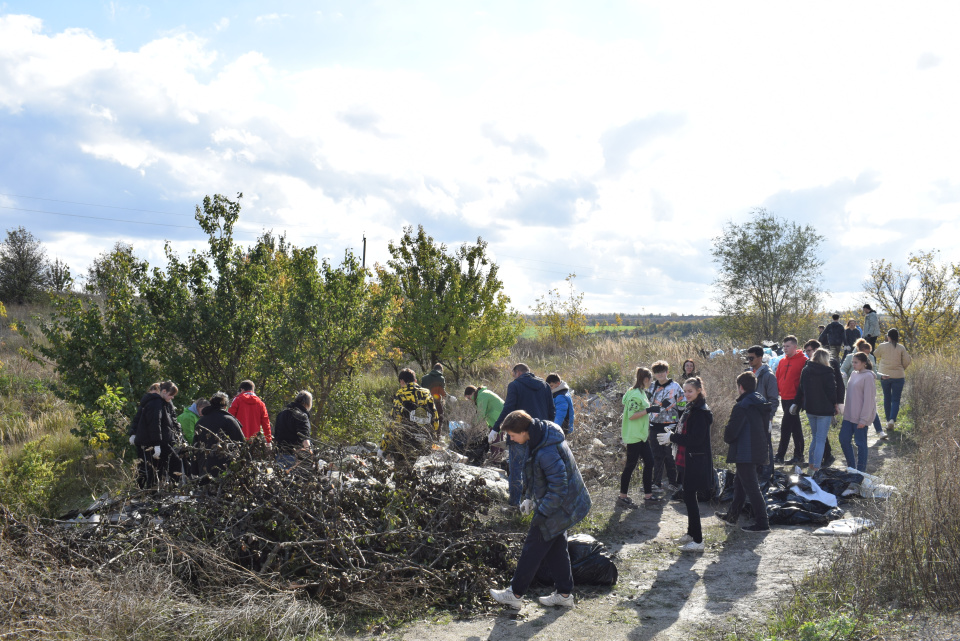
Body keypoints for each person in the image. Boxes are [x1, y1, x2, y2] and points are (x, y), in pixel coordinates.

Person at [489, 410, 591, 610]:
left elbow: (559, 487)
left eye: (511, 435)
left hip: (561, 503)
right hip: (557, 501)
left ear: (524, 431)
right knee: (556, 547)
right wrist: (529, 497)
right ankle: (564, 594)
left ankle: (515, 593)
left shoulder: (546, 451)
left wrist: (541, 511)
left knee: (532, 548)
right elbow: (536, 475)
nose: (510, 439)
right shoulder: (539, 436)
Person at [658, 377, 713, 552]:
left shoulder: (701, 412)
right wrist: (672, 433)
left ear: (698, 390)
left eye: (690, 391)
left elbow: (696, 440)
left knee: (690, 498)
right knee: (689, 498)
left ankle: (698, 541)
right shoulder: (691, 408)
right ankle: (691, 533)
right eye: (684, 391)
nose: (686, 394)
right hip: (686, 459)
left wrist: (672, 437)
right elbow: (687, 432)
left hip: (695, 460)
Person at [491, 364, 555, 508]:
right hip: (539, 435)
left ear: (518, 372)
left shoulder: (515, 385)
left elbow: (508, 408)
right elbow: (551, 411)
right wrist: (548, 432)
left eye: (513, 374)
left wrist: (496, 428)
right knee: (538, 470)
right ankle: (538, 505)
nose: (513, 376)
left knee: (516, 470)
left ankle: (514, 505)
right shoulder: (544, 386)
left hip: (518, 434)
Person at [715, 371, 771, 532]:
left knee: (752, 487)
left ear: (740, 387)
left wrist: (726, 432)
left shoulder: (743, 406)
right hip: (758, 448)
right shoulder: (761, 402)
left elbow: (731, 433)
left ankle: (762, 523)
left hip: (746, 451)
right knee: (739, 484)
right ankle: (732, 517)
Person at [618, 367, 659, 508]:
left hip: (641, 436)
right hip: (634, 436)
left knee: (649, 462)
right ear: (646, 379)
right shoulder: (635, 394)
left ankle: (648, 495)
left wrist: (652, 408)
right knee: (630, 466)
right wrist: (649, 410)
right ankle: (622, 497)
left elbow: (641, 410)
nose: (651, 382)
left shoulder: (641, 392)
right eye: (651, 379)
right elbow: (632, 415)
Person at [132, 380, 184, 488]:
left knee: (157, 470)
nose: (172, 398)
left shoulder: (163, 403)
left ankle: (156, 493)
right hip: (156, 442)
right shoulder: (156, 403)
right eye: (171, 395)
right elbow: (155, 424)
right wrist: (156, 444)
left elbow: (170, 421)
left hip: (162, 441)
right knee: (169, 465)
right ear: (164, 391)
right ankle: (161, 492)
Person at [794, 348, 837, 473]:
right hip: (824, 409)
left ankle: (811, 465)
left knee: (815, 438)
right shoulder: (828, 372)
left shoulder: (806, 370)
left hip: (810, 408)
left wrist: (797, 403)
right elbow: (831, 392)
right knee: (820, 439)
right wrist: (835, 405)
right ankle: (816, 467)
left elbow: (801, 388)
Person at [387, 368, 439, 467]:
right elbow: (435, 417)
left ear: (402, 381)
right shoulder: (426, 393)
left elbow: (394, 420)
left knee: (402, 470)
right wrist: (433, 437)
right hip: (425, 439)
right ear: (415, 380)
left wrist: (385, 444)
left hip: (407, 439)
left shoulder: (401, 394)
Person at [647, 361, 683, 493]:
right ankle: (656, 483)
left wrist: (679, 424)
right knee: (656, 455)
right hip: (654, 426)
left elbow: (682, 406)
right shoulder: (651, 387)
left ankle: (673, 483)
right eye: (657, 372)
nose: (660, 374)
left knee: (670, 456)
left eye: (662, 371)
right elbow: (647, 405)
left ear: (667, 372)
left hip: (670, 426)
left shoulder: (675, 386)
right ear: (654, 374)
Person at [840, 339, 887, 438]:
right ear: (859, 350)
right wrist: (843, 374)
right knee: (854, 412)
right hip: (853, 388)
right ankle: (852, 433)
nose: (867, 355)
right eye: (865, 353)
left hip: (867, 386)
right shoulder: (850, 358)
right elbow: (843, 369)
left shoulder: (870, 358)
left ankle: (879, 431)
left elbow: (873, 372)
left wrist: (881, 376)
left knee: (870, 407)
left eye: (868, 353)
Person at [839, 353, 878, 472]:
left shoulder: (869, 376)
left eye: (856, 362)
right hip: (849, 415)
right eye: (853, 362)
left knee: (860, 444)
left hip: (860, 417)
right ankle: (852, 468)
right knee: (844, 439)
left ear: (864, 363)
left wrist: (864, 419)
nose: (853, 365)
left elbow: (869, 400)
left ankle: (860, 472)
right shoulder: (853, 374)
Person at [745, 345, 778, 482]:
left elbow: (774, 400)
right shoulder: (750, 373)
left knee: (765, 446)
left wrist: (769, 418)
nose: (749, 360)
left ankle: (766, 475)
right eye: (748, 358)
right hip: (751, 417)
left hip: (763, 417)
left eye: (751, 358)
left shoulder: (768, 376)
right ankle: (757, 473)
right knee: (754, 446)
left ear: (760, 358)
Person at [194, 391, 246, 477]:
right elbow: (241, 444)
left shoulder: (201, 421)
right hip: (225, 468)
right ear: (225, 406)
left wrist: (194, 470)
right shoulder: (230, 421)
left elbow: (195, 446)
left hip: (204, 467)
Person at [774, 336, 807, 464]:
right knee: (795, 427)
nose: (785, 348)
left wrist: (800, 400)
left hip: (795, 399)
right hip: (784, 397)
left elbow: (804, 382)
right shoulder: (782, 361)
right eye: (784, 346)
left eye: (788, 346)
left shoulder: (803, 360)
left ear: (795, 347)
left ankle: (780, 456)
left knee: (786, 426)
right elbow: (778, 377)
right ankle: (799, 456)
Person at [874, 328, 913, 431]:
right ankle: (892, 419)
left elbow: (875, 354)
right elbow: (907, 361)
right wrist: (902, 368)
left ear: (888, 336)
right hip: (898, 376)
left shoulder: (882, 346)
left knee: (887, 398)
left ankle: (888, 421)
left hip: (884, 375)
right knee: (896, 399)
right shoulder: (901, 347)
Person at [274, 391, 313, 469]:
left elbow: (276, 436)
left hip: (280, 455)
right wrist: (311, 456)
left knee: (280, 479)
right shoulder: (302, 416)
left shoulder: (281, 414)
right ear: (308, 404)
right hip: (295, 457)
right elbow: (304, 439)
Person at [229, 380, 272, 446]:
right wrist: (268, 441)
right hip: (255, 441)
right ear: (253, 390)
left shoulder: (237, 400)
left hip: (238, 440)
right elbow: (266, 423)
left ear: (242, 389)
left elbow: (230, 417)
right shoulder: (261, 403)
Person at [420, 363, 448, 438]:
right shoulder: (441, 378)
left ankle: (427, 437)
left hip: (425, 404)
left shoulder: (424, 378)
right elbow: (442, 392)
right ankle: (437, 437)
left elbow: (421, 391)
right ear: (441, 370)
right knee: (440, 419)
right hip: (437, 403)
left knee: (427, 421)